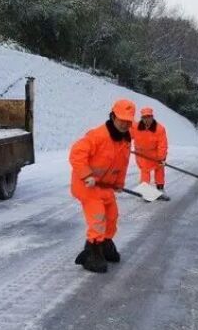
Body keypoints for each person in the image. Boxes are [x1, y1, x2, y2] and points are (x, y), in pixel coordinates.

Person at [69, 99, 135, 273]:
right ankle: (92, 253)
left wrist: (119, 183)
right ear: (113, 116)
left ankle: (105, 245)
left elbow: (123, 164)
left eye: (128, 121)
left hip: (105, 186)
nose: (124, 124)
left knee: (112, 216)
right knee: (98, 219)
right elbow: (76, 154)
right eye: (122, 120)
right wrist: (87, 175)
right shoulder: (98, 135)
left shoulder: (125, 140)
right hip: (87, 185)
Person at [131, 107, 168, 190]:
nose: (146, 119)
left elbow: (162, 145)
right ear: (142, 118)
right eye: (144, 117)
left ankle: (160, 188)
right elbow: (127, 136)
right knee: (145, 171)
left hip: (155, 155)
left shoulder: (160, 129)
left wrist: (161, 158)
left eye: (148, 117)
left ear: (152, 117)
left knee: (159, 170)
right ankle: (145, 191)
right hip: (141, 155)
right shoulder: (136, 127)